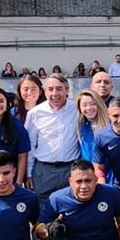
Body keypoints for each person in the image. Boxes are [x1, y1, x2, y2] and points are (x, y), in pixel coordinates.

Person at [25, 74, 81, 205]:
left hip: (71, 169)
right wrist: (28, 173)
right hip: (44, 172)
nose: (54, 93)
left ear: (67, 90)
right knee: (44, 212)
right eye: (50, 89)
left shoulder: (77, 109)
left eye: (59, 88)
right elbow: (31, 145)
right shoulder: (35, 113)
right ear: (44, 91)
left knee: (71, 208)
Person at [75, 89, 110, 162]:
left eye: (93, 104)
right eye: (84, 105)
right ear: (79, 108)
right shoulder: (81, 126)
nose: (88, 108)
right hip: (87, 171)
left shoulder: (110, 126)